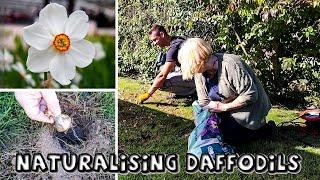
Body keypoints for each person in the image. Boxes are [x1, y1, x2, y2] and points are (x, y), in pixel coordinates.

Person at [178, 38, 274, 145]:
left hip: (248, 110)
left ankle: (261, 129)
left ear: (200, 60)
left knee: (227, 138)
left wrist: (223, 107)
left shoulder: (231, 64)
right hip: (225, 111)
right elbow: (204, 102)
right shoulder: (199, 73)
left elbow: (250, 95)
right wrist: (215, 107)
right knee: (209, 133)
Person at [137, 24, 196, 103]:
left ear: (162, 34)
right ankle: (189, 91)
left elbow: (162, 76)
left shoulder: (173, 48)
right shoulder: (178, 39)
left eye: (155, 40)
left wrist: (148, 94)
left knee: (161, 84)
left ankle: (193, 92)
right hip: (197, 73)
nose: (154, 43)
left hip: (198, 78)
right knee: (162, 72)